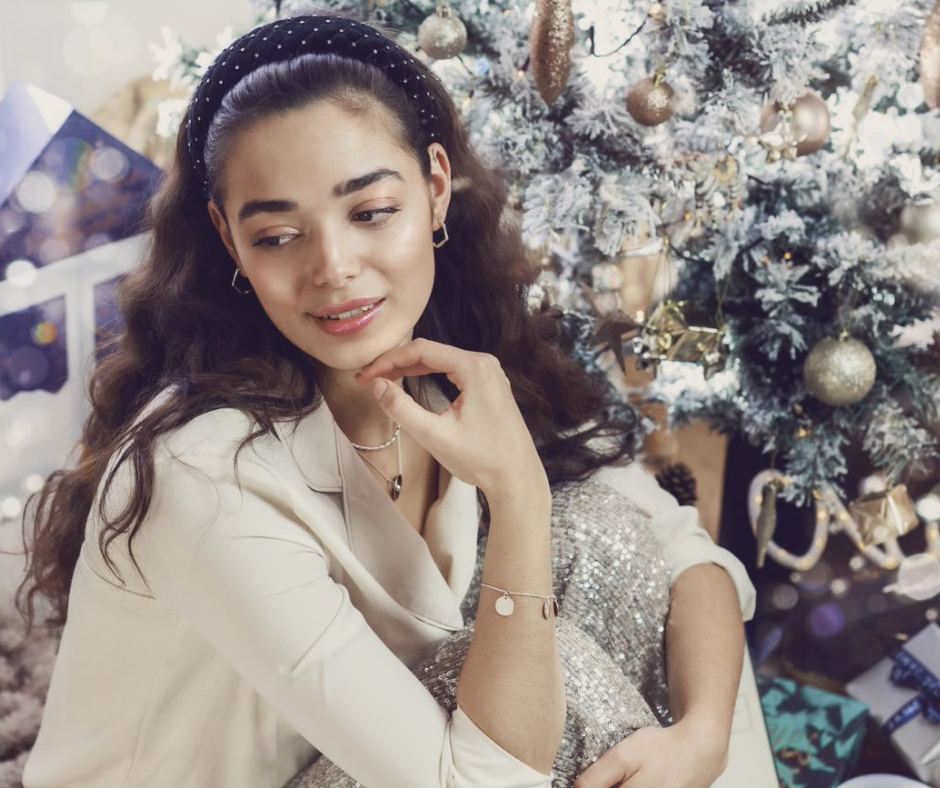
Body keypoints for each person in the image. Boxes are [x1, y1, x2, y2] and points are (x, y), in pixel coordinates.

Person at [16, 8, 756, 788]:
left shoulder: (454, 358)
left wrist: (702, 738)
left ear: (436, 190)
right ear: (228, 239)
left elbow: (686, 559)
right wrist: (518, 496)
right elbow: (478, 781)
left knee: (602, 534)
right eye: (276, 235)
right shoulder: (201, 470)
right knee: (555, 661)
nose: (333, 267)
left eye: (370, 212)